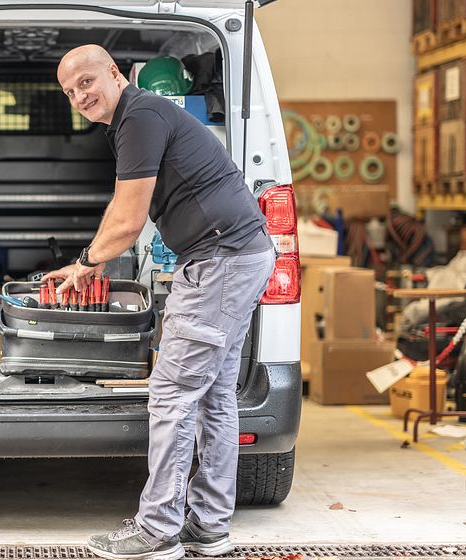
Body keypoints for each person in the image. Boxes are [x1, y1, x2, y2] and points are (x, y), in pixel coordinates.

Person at [44, 45, 276, 559]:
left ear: (114, 73)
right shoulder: (131, 120)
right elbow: (124, 204)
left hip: (220, 260)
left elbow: (129, 222)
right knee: (214, 394)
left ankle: (157, 530)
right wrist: (91, 261)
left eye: (86, 82)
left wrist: (87, 259)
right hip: (236, 256)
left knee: (172, 393)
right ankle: (209, 526)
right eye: (69, 91)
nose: (79, 96)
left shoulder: (141, 115)